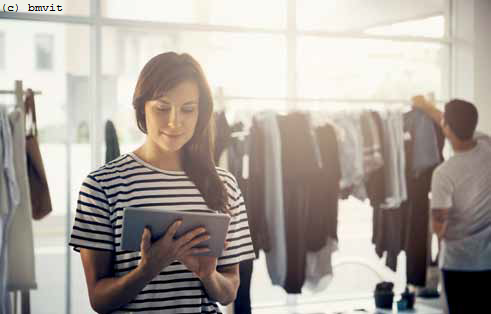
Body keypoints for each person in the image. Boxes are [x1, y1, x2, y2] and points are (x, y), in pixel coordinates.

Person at [69, 52, 256, 313]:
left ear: (200, 114)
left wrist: (208, 275)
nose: (174, 122)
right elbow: (99, 300)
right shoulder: (101, 186)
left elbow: (229, 291)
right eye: (162, 107)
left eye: (188, 109)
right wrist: (147, 270)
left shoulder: (225, 184)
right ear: (142, 108)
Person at [412, 96, 491, 314]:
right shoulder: (487, 146)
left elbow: (440, 228)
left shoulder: (444, 173)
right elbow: (456, 123)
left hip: (459, 264)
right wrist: (427, 107)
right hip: (488, 260)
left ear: (447, 128)